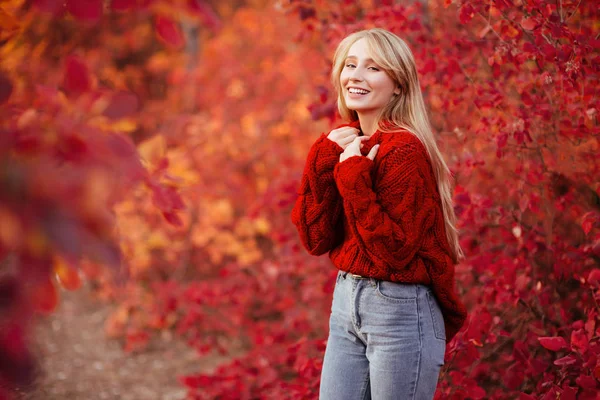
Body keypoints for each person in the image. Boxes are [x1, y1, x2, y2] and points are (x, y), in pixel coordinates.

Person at [290, 28, 468, 399]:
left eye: (373, 68)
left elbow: (394, 252)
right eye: (350, 64)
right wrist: (320, 162)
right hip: (346, 301)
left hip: (400, 310)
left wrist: (353, 177)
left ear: (399, 85)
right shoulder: (346, 143)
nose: (355, 75)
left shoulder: (403, 150)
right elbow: (315, 238)